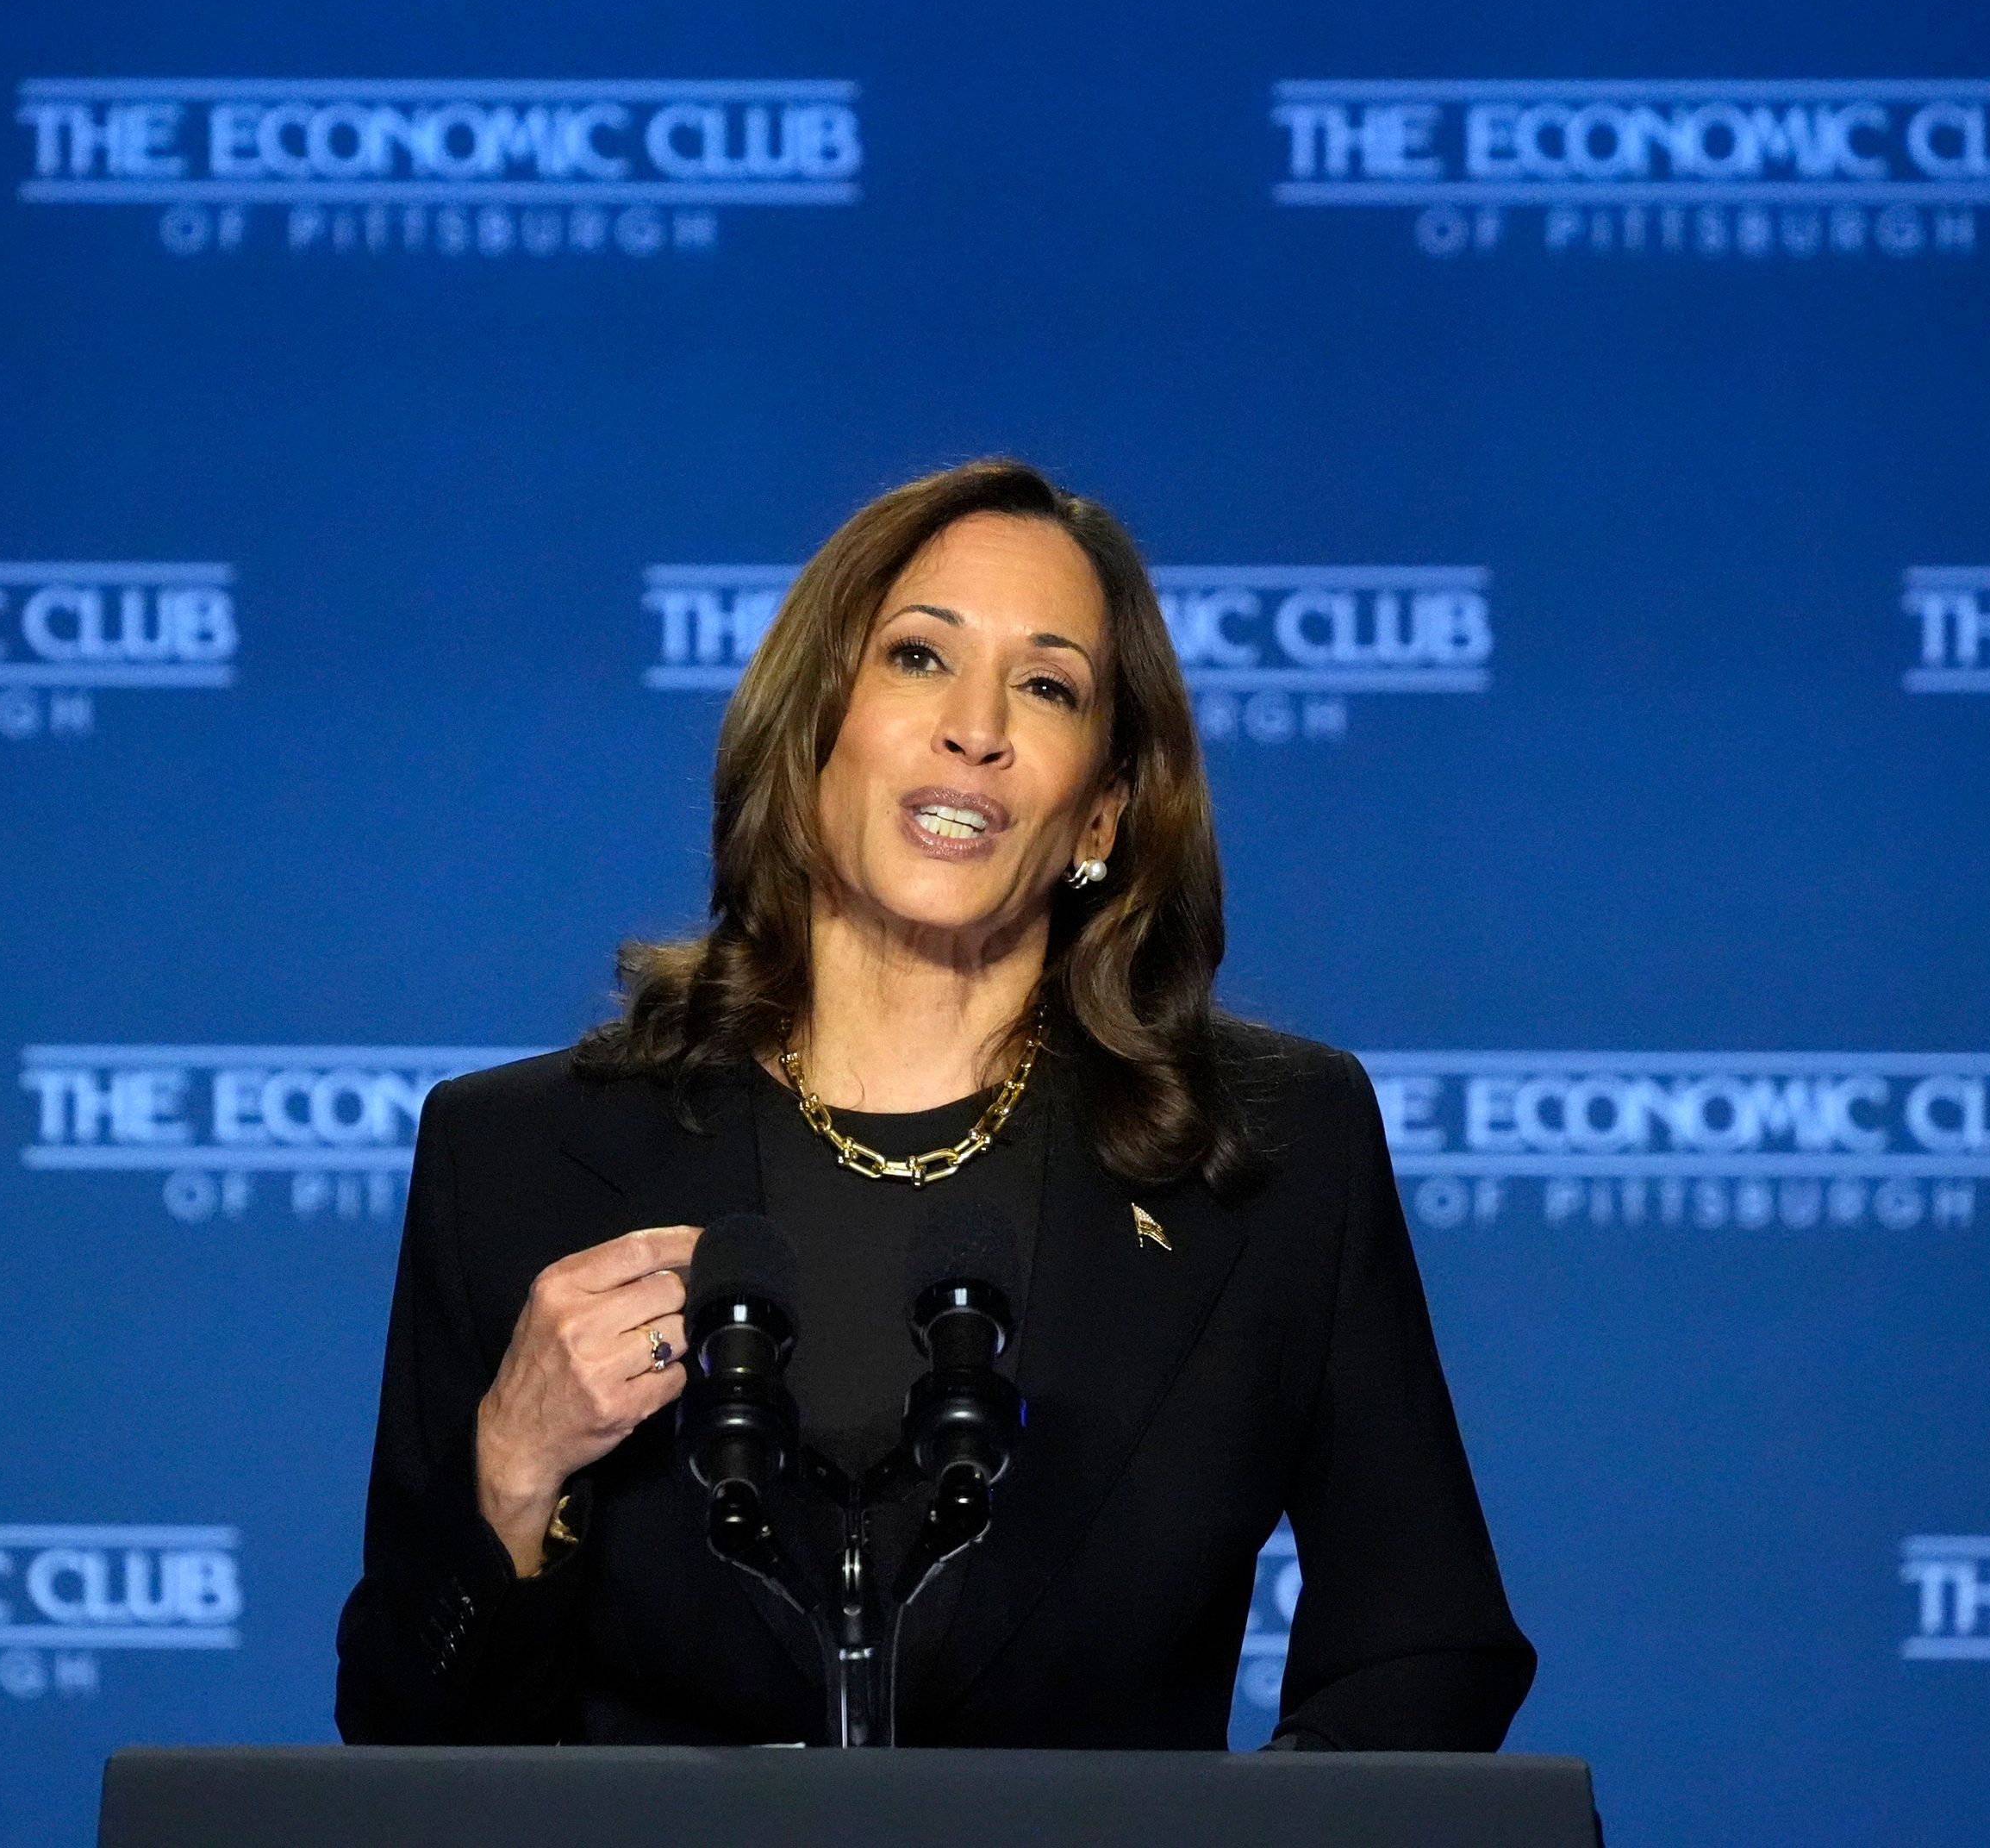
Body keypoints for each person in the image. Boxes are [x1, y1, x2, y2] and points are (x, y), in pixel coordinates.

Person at [334, 459, 1532, 1749]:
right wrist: (510, 1476)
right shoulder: (515, 1160)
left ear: (1105, 812)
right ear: (809, 733)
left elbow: (1426, 1653)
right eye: (918, 659)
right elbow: (405, 1746)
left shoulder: (1276, 1152)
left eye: (1049, 685)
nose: (979, 726)